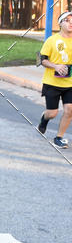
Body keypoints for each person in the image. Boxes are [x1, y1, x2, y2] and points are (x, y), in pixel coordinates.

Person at [37, 10, 72, 148]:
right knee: (52, 113)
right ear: (60, 23)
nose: (71, 23)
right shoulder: (51, 40)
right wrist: (56, 66)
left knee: (69, 110)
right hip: (52, 82)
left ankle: (59, 138)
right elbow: (41, 60)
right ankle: (44, 119)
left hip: (69, 83)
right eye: (67, 20)